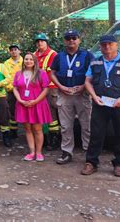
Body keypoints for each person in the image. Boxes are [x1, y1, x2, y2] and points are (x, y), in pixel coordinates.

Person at [81, 35, 120, 177]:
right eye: (103, 44)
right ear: (100, 46)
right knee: (96, 134)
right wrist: (94, 96)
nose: (107, 47)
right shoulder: (95, 62)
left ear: (116, 45)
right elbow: (87, 81)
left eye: (110, 44)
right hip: (100, 104)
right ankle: (91, 163)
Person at [50, 30, 94, 165]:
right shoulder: (59, 56)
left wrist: (83, 87)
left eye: (74, 38)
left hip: (82, 94)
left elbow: (93, 73)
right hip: (64, 94)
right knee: (65, 126)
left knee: (86, 124)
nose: (71, 41)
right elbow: (52, 73)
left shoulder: (87, 55)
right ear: (64, 41)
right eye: (68, 38)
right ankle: (67, 152)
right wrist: (61, 87)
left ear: (79, 40)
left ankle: (89, 154)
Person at [13, 53, 53, 162]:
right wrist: (20, 100)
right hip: (23, 104)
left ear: (35, 61)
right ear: (23, 61)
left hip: (37, 104)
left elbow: (46, 89)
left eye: (31, 59)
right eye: (26, 59)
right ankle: (31, 152)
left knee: (37, 129)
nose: (28, 61)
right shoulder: (18, 74)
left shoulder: (41, 73)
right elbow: (15, 88)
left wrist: (35, 101)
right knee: (27, 129)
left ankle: (39, 153)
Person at [34, 33, 60, 150]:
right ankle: (42, 138)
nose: (40, 43)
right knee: (39, 114)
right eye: (38, 41)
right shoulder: (34, 55)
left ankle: (54, 139)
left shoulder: (53, 54)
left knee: (51, 114)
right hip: (36, 89)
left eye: (42, 41)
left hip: (50, 88)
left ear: (46, 42)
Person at [4, 44, 23, 139]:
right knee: (12, 111)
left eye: (16, 49)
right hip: (11, 91)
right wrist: (12, 88)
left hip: (24, 91)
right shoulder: (6, 63)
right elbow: (7, 77)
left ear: (20, 51)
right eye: (11, 50)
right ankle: (13, 131)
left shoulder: (25, 61)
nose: (14, 51)